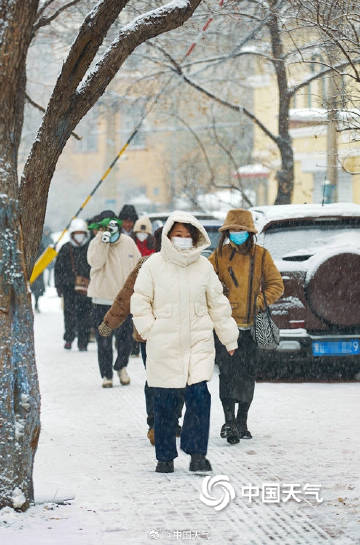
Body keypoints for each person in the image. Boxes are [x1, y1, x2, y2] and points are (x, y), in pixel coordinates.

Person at [131, 211, 239, 474]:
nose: (182, 240)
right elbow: (140, 300)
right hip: (164, 344)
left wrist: (228, 336)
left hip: (198, 344)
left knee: (200, 397)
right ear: (168, 236)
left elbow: (218, 304)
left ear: (196, 238)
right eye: (177, 235)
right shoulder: (153, 265)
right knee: (165, 403)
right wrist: (149, 329)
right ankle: (165, 457)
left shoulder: (204, 267)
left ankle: (197, 453)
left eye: (187, 236)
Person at [97, 228, 183, 445]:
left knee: (179, 379)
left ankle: (171, 420)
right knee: (156, 378)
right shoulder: (146, 265)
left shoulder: (189, 267)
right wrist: (108, 325)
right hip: (150, 335)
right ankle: (156, 422)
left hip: (180, 335)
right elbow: (126, 297)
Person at [209, 209, 284, 444]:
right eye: (233, 230)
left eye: (241, 230)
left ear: (249, 232)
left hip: (251, 327)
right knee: (227, 373)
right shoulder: (218, 256)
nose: (237, 234)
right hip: (225, 326)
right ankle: (229, 421)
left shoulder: (261, 255)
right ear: (227, 232)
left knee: (247, 374)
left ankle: (242, 420)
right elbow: (206, 283)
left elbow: (276, 285)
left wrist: (258, 302)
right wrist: (219, 297)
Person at [87, 210, 141, 388]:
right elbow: (95, 262)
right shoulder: (96, 243)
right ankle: (106, 375)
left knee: (125, 339)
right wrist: (103, 241)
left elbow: (139, 267)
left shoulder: (128, 242)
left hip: (123, 303)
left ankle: (121, 366)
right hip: (102, 300)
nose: (109, 230)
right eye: (103, 227)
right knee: (104, 340)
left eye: (111, 226)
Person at [54, 218, 92, 351]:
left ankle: (83, 341)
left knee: (85, 316)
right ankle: (69, 338)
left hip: (86, 288)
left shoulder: (90, 247)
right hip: (68, 287)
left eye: (81, 233)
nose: (79, 236)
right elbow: (58, 269)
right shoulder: (65, 248)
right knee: (69, 315)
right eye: (77, 233)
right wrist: (59, 286)